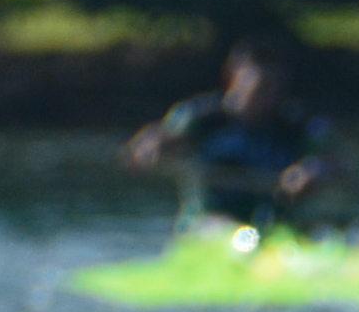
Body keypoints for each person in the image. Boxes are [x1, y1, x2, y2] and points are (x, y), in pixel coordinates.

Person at [123, 39, 335, 227]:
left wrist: (313, 172)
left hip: (274, 226)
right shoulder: (203, 119)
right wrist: (150, 147)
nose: (266, 97)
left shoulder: (295, 125)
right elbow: (162, 137)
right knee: (229, 233)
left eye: (274, 88)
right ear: (234, 80)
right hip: (210, 226)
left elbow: (332, 163)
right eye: (258, 88)